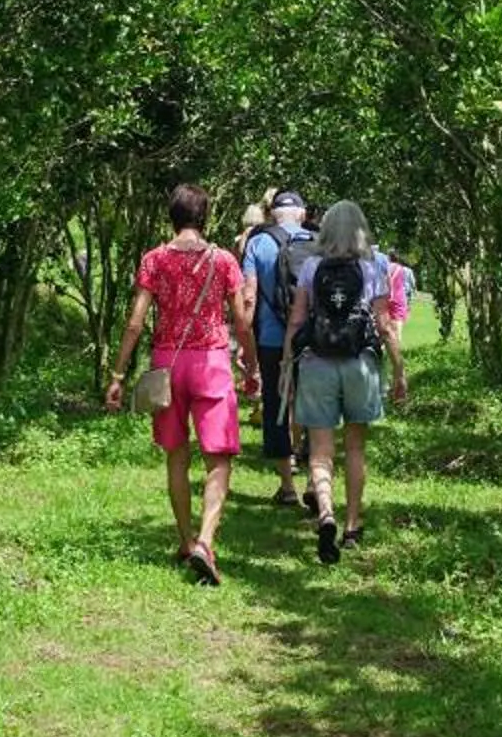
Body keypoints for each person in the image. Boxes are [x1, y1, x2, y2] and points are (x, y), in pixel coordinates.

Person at [107, 183, 261, 585]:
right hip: (211, 362)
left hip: (167, 365)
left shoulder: (154, 260)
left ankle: (185, 538)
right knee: (219, 458)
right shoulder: (224, 260)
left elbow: (135, 322)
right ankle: (205, 542)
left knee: (176, 455)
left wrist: (118, 375)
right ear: (204, 216)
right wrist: (252, 366)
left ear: (171, 216)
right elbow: (241, 322)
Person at [280, 198, 408, 564]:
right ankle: (352, 526)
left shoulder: (311, 266)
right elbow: (384, 325)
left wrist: (288, 362)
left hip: (318, 363)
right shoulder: (373, 268)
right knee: (354, 448)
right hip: (360, 364)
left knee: (320, 451)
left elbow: (297, 319)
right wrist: (399, 369)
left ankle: (326, 513)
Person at [242, 187, 318, 510]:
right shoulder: (318, 244)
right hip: (312, 340)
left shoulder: (258, 242)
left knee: (275, 406)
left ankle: (286, 486)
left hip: (271, 340)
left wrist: (246, 350)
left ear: (272, 214)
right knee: (316, 405)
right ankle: (316, 481)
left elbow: (248, 297)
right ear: (302, 214)